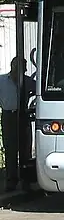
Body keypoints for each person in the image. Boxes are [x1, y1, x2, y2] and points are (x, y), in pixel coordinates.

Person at [0, 57, 36, 192]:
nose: (25, 69)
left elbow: (38, 91)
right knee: (10, 148)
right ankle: (11, 180)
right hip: (9, 115)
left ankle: (25, 180)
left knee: (25, 149)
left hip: (23, 115)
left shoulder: (27, 81)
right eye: (23, 66)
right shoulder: (2, 81)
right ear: (14, 67)